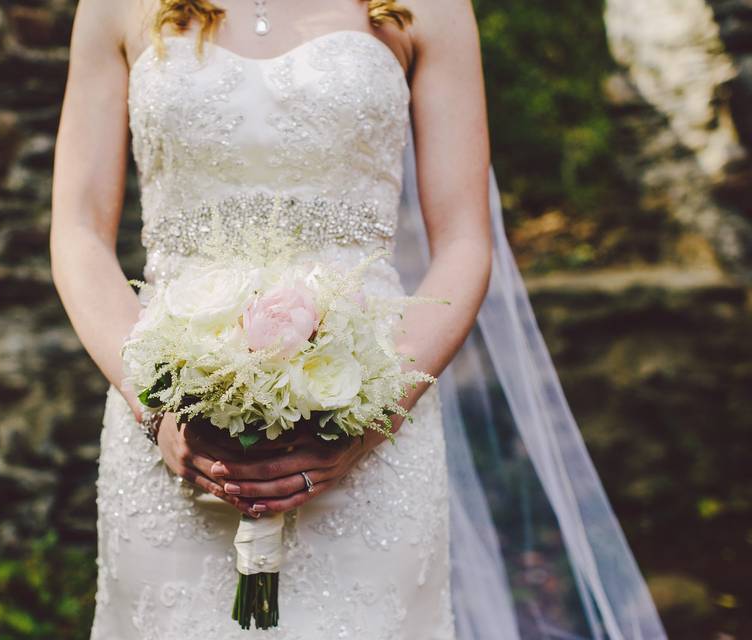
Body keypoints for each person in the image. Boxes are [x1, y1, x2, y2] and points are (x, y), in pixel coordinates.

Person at [50, 1, 667, 638]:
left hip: (371, 422)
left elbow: (463, 241)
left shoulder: (427, 7)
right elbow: (77, 229)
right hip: (172, 438)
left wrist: (372, 417)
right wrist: (151, 408)